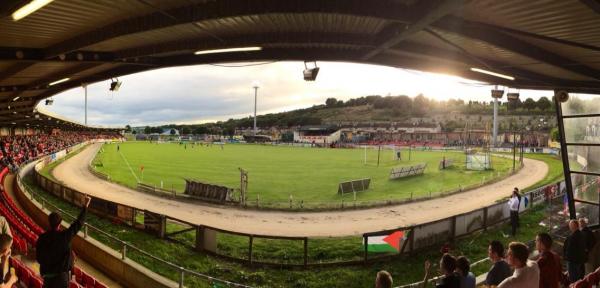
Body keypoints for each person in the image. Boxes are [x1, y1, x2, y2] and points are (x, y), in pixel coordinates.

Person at [36, 195, 91, 288]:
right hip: (61, 279)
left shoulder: (41, 238)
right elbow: (78, 223)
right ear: (60, 224)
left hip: (47, 278)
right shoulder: (65, 236)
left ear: (49, 222)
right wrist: (85, 206)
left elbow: (39, 258)